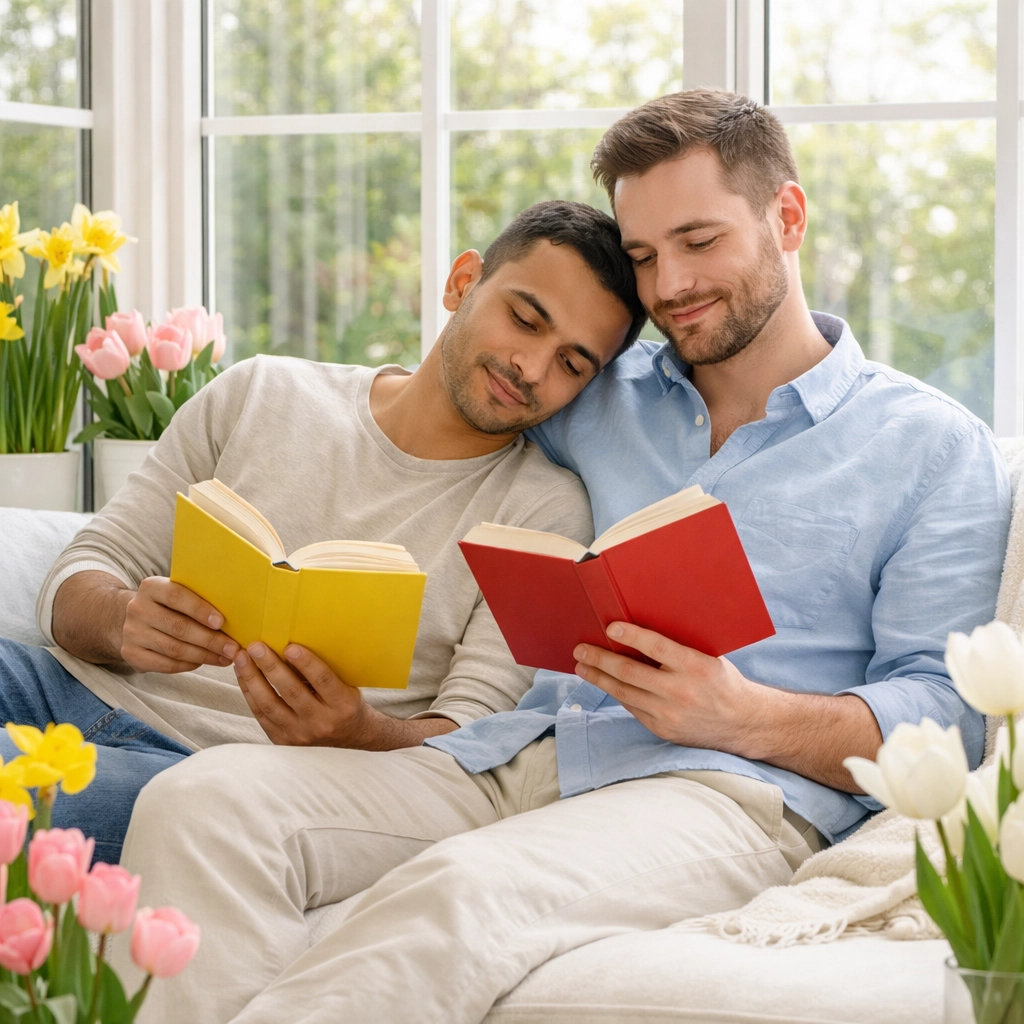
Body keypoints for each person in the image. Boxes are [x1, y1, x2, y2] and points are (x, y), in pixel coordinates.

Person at [117, 90, 1010, 1024]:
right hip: (520, 750)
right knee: (206, 802)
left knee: (458, 896)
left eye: (699, 242)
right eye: (645, 256)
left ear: (786, 218)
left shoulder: (931, 447)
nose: (668, 287)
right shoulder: (595, 387)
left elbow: (949, 719)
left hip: (723, 791)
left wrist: (746, 714)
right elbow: (455, 387)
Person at [0, 200, 645, 863]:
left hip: (207, 774)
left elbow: (468, 738)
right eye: (524, 319)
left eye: (572, 364)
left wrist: (359, 732)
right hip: (60, 684)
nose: (532, 368)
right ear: (462, 283)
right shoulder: (260, 391)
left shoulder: (542, 511)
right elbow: (86, 569)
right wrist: (120, 619)